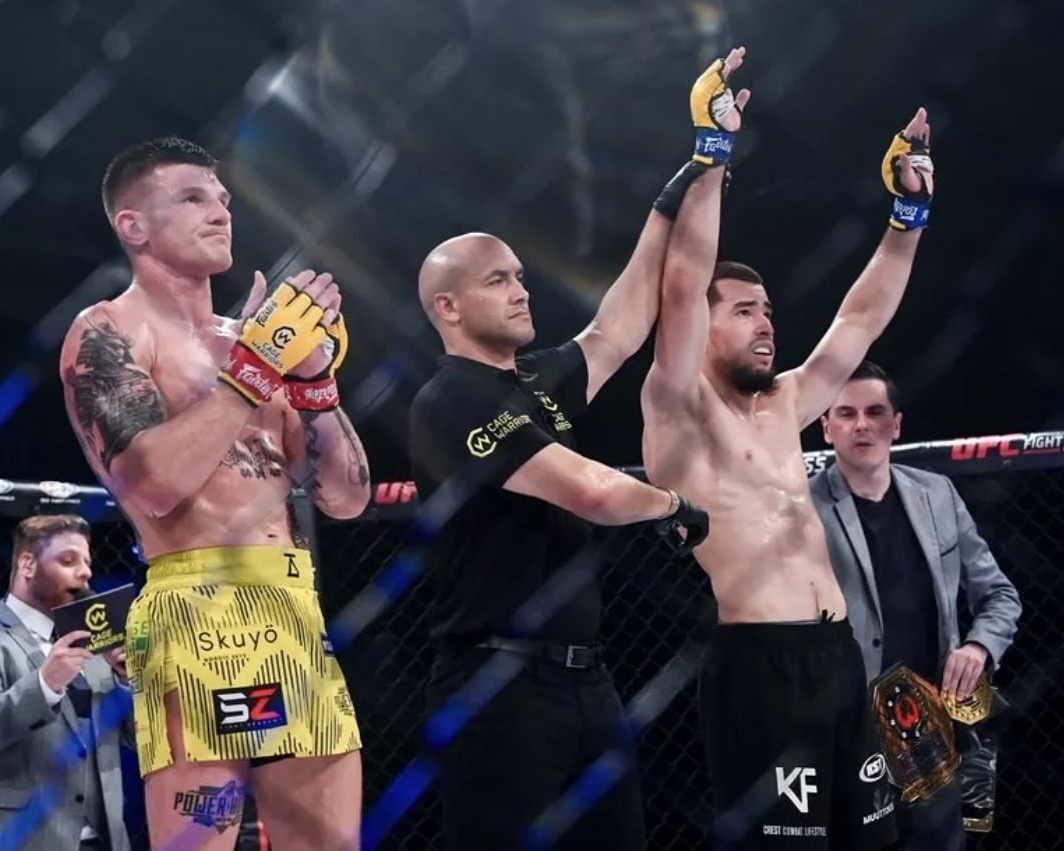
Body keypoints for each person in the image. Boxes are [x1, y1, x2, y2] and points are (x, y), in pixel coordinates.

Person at [406, 53, 728, 851]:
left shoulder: (534, 381)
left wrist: (687, 176)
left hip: (586, 677)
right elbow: (589, 489)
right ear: (449, 306)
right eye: (497, 281)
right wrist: (672, 502)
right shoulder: (451, 399)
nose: (521, 290)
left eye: (520, 275)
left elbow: (619, 324)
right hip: (495, 685)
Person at [639, 49, 937, 849]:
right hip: (759, 667)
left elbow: (860, 319)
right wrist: (712, 152)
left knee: (874, 842)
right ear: (702, 326)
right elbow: (680, 281)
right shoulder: (677, 406)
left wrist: (906, 215)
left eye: (768, 309)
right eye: (743, 310)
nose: (765, 322)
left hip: (839, 655)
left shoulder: (784, 404)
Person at [58, 137, 371, 851]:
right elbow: (154, 484)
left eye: (223, 199)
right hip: (197, 610)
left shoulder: (251, 341)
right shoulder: (109, 331)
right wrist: (255, 371)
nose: (220, 211)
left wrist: (314, 382)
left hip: (292, 606)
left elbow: (345, 497)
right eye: (193, 197)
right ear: (133, 225)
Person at [810, 360, 1022, 851]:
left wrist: (978, 648)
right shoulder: (804, 508)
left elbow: (999, 595)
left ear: (896, 424)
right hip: (848, 726)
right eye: (846, 414)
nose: (862, 425)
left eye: (875, 412)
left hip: (931, 727)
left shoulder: (938, 494)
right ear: (826, 428)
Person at [0, 513, 133, 851]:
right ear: (28, 564)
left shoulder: (93, 636)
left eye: (87, 563)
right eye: (68, 560)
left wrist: (126, 680)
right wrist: (44, 685)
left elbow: (135, 738)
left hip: (106, 840)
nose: (85, 572)